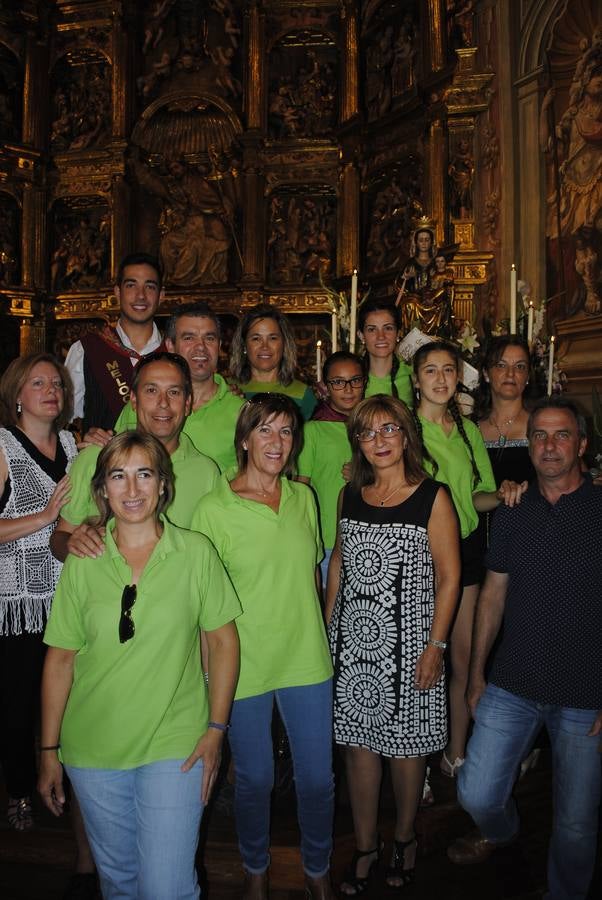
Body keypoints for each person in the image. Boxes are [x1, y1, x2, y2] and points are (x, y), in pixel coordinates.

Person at [38, 431, 241, 900]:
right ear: (102, 489)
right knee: (121, 884)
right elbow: (60, 659)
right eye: (118, 476)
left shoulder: (195, 553)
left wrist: (216, 728)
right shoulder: (83, 560)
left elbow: (223, 641)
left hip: (177, 743)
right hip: (93, 747)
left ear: (163, 485)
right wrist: (48, 751)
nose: (132, 490)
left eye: (144, 474)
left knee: (167, 886)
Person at [448, 398, 602, 900]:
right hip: (512, 681)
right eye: (539, 435)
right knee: (475, 792)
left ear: (582, 444)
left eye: (561, 436)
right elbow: (491, 596)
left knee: (577, 824)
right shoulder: (515, 511)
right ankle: (502, 830)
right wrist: (474, 676)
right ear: (527, 445)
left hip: (586, 693)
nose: (549, 446)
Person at [191, 394, 334, 900]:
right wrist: (209, 678)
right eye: (266, 431)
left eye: (287, 431)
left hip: (306, 658)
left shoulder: (303, 498)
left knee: (317, 779)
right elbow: (206, 606)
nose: (277, 442)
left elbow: (314, 579)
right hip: (243, 664)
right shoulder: (214, 509)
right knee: (255, 779)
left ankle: (318, 869)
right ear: (246, 439)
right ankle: (256, 868)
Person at [326, 395, 460, 894]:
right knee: (358, 749)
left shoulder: (433, 496)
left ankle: (404, 837)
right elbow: (338, 561)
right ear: (357, 442)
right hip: (355, 643)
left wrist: (437, 646)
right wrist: (327, 626)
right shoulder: (350, 493)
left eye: (388, 430)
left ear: (406, 435)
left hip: (412, 644)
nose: (379, 441)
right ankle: (365, 844)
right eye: (367, 433)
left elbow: (450, 577)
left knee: (406, 750)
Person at [412, 341, 527, 778]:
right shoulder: (403, 430)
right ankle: (415, 762)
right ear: (417, 380)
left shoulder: (466, 431)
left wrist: (501, 495)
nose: (441, 379)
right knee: (422, 660)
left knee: (460, 659)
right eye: (431, 371)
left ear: (458, 378)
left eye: (448, 370)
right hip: (421, 555)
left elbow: (474, 498)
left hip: (466, 550)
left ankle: (455, 752)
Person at [0, 353, 76, 831]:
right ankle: (20, 791)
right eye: (38, 383)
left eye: (57, 383)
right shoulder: (3, 445)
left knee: (68, 697)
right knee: (18, 702)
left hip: (69, 596)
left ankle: (66, 781)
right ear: (17, 395)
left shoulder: (73, 443)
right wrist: (45, 517)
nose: (51, 390)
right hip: (19, 603)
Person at [50, 351, 219, 562]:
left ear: (187, 404)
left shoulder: (206, 472)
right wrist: (74, 544)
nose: (163, 403)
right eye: (151, 390)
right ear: (133, 399)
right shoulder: (94, 458)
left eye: (174, 392)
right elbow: (59, 537)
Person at [114, 302, 244, 472]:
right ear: (170, 345)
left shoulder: (241, 413)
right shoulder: (140, 406)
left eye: (209, 338)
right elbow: (114, 461)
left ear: (219, 347)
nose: (200, 347)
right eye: (189, 338)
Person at [64, 253, 164, 432]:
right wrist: (81, 438)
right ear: (117, 292)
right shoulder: (87, 350)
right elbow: (62, 420)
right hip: (101, 458)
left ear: (161, 295)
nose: (140, 295)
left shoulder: (174, 352)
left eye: (150, 287)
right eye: (131, 285)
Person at [297, 351, 366, 588]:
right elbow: (301, 488)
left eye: (355, 380)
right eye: (338, 382)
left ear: (364, 382)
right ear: (326, 386)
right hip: (327, 538)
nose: (348, 389)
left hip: (368, 536)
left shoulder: (373, 428)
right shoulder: (313, 430)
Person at [229, 303, 317, 420]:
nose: (265, 346)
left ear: (284, 344)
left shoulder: (303, 394)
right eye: (256, 338)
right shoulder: (227, 390)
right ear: (244, 345)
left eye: (273, 338)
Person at [475, 336, 535, 486]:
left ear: (527, 376)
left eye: (520, 366)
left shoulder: (542, 424)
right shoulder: (469, 427)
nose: (510, 373)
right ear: (486, 373)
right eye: (501, 365)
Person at [395, 222, 454, 337]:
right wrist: (405, 278)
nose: (424, 243)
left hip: (433, 298)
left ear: (431, 242)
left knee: (441, 305)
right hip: (415, 297)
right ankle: (412, 336)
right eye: (421, 240)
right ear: (416, 242)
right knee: (410, 304)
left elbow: (444, 280)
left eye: (427, 240)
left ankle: (435, 335)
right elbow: (399, 285)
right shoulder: (411, 263)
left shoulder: (436, 262)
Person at [357, 299, 413, 405]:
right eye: (372, 329)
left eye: (388, 328)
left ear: (398, 334)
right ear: (361, 336)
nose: (381, 336)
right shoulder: (352, 378)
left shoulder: (413, 375)